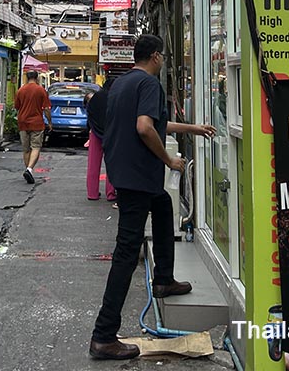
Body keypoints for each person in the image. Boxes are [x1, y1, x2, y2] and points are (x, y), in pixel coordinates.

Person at [89, 34, 216, 361]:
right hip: (138, 178)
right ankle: (103, 335)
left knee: (162, 206)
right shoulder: (149, 85)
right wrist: (168, 160)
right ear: (156, 57)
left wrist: (193, 128)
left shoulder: (121, 84)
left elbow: (156, 124)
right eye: (164, 57)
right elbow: (146, 128)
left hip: (126, 175)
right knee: (126, 254)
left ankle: (163, 280)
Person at [14, 70, 51, 184]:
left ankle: (28, 170)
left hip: (23, 122)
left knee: (26, 149)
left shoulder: (21, 90)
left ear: (26, 77)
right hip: (36, 123)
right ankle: (29, 169)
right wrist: (49, 122)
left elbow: (17, 107)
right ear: (37, 78)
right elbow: (46, 108)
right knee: (35, 147)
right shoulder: (41, 90)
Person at [85, 78, 116, 203]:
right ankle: (110, 193)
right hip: (111, 135)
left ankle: (92, 193)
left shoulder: (96, 97)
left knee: (93, 164)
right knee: (111, 164)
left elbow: (89, 114)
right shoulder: (115, 98)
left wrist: (93, 128)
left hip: (95, 134)